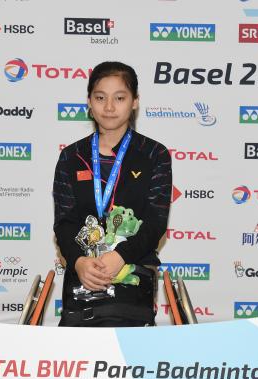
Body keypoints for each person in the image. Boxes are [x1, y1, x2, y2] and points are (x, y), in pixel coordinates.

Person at [53, 61, 171, 327]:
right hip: (83, 276)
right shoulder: (72, 156)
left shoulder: (155, 155)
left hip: (133, 273)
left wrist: (119, 257)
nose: (109, 107)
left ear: (135, 102)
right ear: (89, 102)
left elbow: (155, 222)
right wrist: (80, 262)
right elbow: (64, 222)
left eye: (119, 98)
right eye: (100, 98)